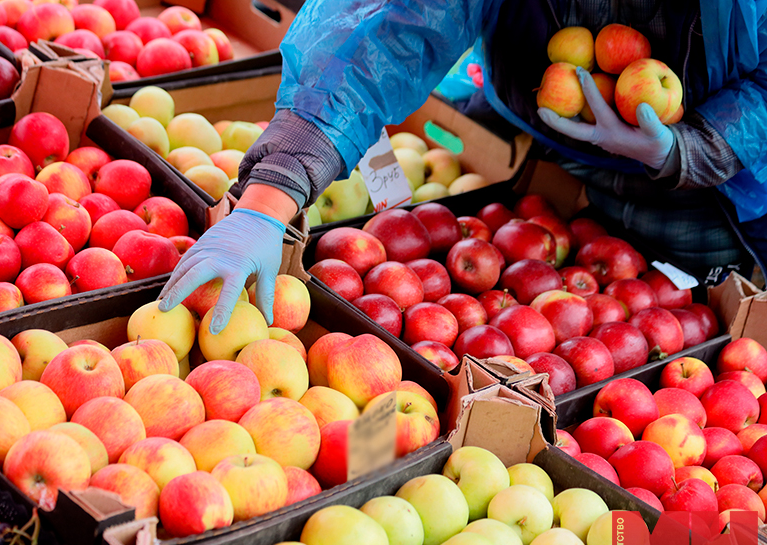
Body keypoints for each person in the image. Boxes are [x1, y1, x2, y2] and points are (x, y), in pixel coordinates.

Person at [158, 0, 767, 334]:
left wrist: (694, 148)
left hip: (713, 194)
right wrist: (273, 192)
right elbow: (383, 32)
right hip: (539, 144)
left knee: (701, 318)